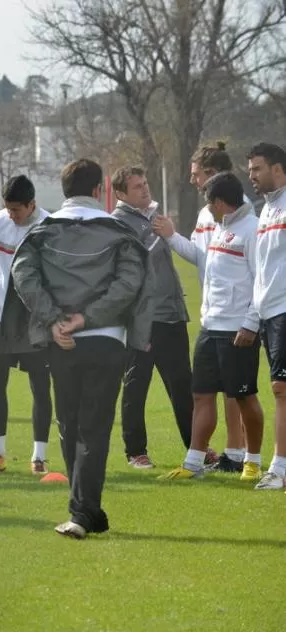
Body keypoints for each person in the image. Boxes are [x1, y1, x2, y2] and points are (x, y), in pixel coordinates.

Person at [0, 159, 151, 539]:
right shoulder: (120, 232)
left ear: (62, 191)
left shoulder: (41, 233)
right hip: (107, 340)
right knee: (94, 428)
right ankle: (86, 512)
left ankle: (83, 510)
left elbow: (23, 275)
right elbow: (129, 283)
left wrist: (55, 321)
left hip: (61, 342)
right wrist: (88, 318)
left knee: (68, 425)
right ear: (100, 190)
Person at [155, 172, 263, 481]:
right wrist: (172, 237)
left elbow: (261, 281)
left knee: (244, 396)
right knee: (201, 395)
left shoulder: (252, 230)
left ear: (220, 202)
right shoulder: (218, 228)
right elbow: (202, 260)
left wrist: (250, 324)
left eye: (209, 202)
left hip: (238, 331)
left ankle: (252, 462)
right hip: (209, 327)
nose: (207, 209)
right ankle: (193, 465)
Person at [112, 166, 194, 468]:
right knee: (137, 384)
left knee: (183, 385)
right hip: (141, 320)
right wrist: (164, 235)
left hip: (172, 313)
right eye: (137, 187)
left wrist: (166, 232)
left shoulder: (155, 218)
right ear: (120, 194)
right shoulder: (117, 223)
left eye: (145, 184)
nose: (145, 190)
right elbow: (134, 259)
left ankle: (196, 448)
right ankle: (136, 451)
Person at [0, 175, 52, 476]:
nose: (11, 215)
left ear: (32, 204)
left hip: (34, 316)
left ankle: (39, 456)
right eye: (7, 209)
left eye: (17, 210)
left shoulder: (50, 226)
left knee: (39, 384)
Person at [187, 142, 246, 471]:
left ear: (213, 174)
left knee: (236, 390)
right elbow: (200, 255)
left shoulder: (242, 213)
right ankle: (228, 454)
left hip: (236, 314)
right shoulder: (205, 213)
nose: (192, 180)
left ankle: (238, 454)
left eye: (196, 174)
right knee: (213, 387)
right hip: (212, 310)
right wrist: (169, 237)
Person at [249, 142, 286, 490]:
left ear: (277, 168)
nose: (252, 176)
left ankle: (279, 468)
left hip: (284, 310)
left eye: (257, 169)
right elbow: (262, 269)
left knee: (281, 388)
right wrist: (253, 314)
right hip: (269, 313)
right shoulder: (267, 210)